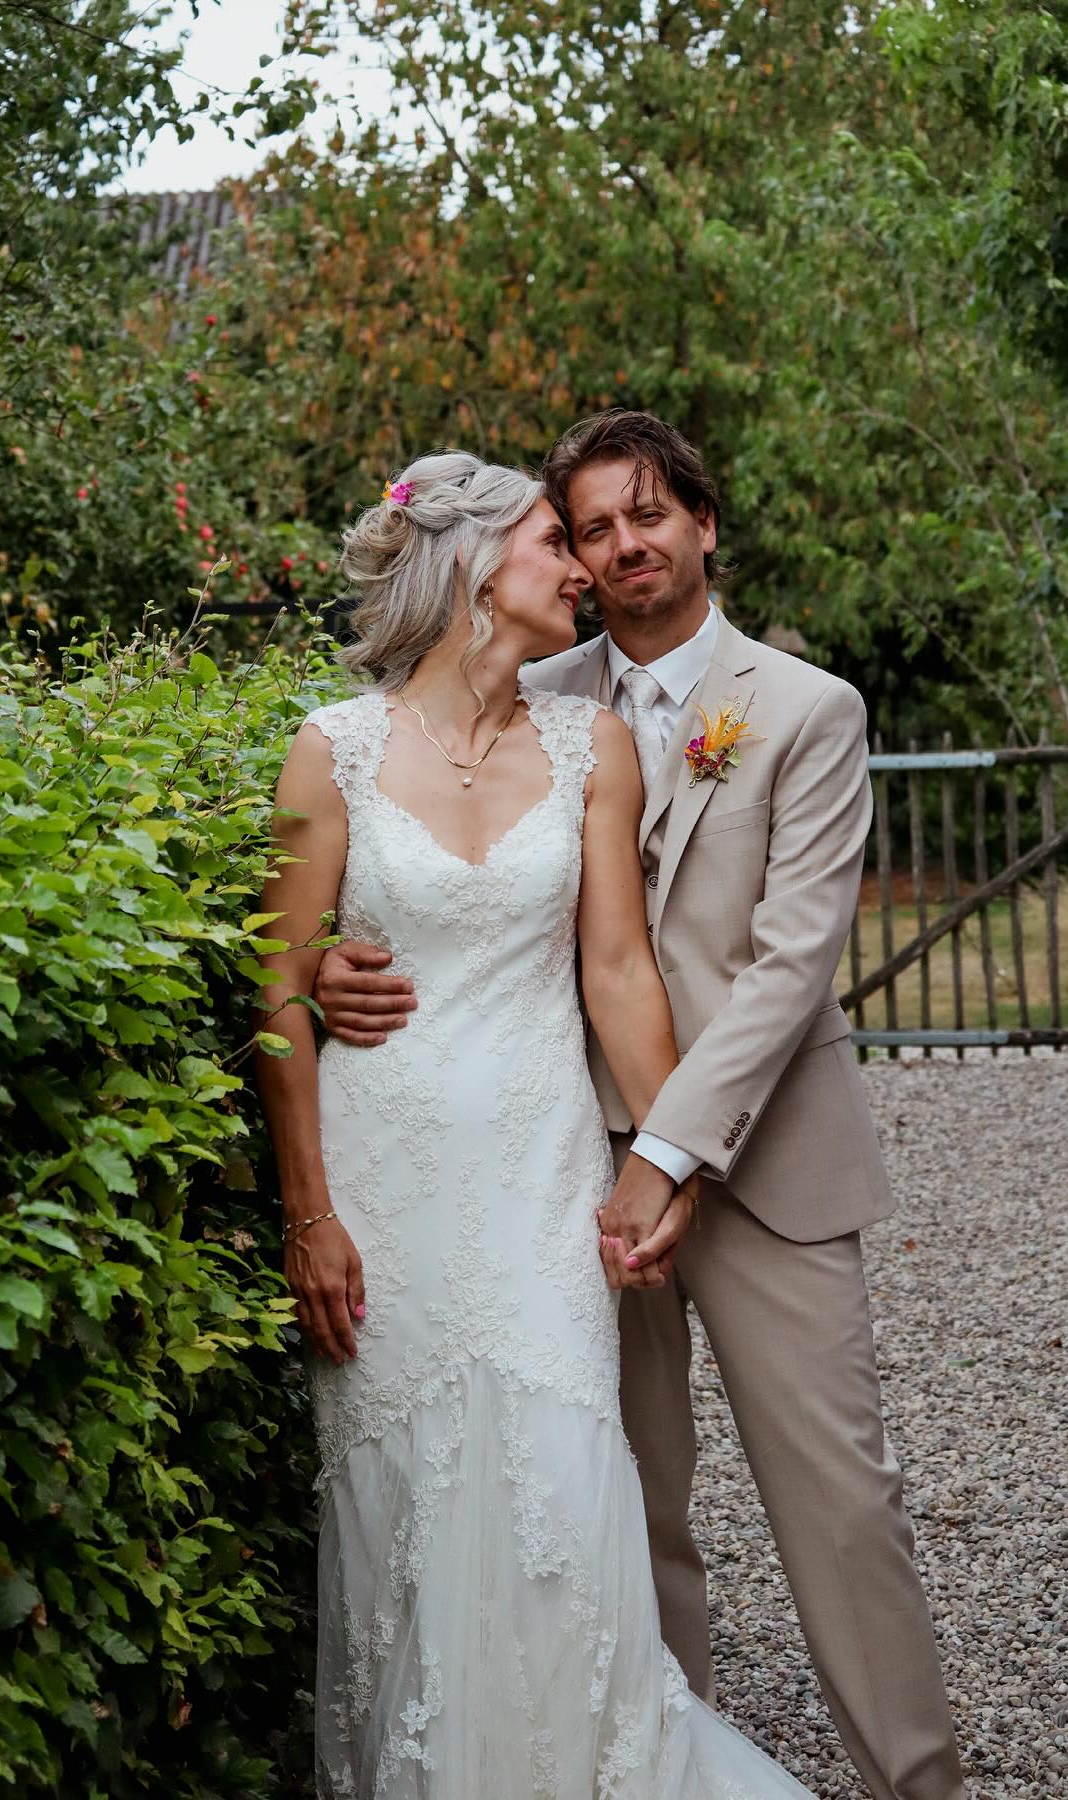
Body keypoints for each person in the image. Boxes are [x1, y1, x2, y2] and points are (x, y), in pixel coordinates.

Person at [316, 411, 968, 1800]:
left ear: (704, 522)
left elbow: (792, 967)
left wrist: (668, 1153)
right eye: (591, 527)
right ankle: (652, 1761)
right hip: (557, 1168)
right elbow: (423, 860)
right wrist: (323, 955)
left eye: (646, 516)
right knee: (623, 1502)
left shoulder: (805, 709)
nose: (618, 547)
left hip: (758, 1161)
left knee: (840, 1500)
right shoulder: (527, 684)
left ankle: (919, 1781)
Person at [253, 450, 815, 1796]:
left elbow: (616, 970)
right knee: (407, 1513)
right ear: (470, 571)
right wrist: (311, 1216)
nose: (578, 566)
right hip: (386, 1187)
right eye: (551, 544)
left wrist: (664, 1164)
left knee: (564, 1487)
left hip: (540, 1174)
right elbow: (278, 988)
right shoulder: (331, 750)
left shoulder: (590, 745)